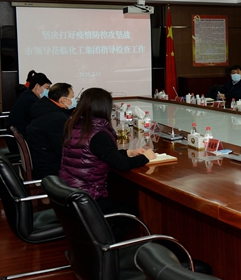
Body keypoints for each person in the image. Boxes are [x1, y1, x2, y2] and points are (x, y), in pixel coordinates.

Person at [60, 87, 156, 217]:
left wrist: (128, 152)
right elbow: (122, 165)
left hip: (71, 193)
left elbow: (99, 154)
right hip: (89, 198)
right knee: (137, 212)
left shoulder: (76, 125)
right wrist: (145, 157)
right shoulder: (97, 134)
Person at [25, 83, 75, 180]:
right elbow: (64, 150)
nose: (74, 100)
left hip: (42, 161)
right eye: (72, 97)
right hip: (50, 169)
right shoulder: (57, 118)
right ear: (63, 100)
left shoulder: (45, 109)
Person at [7, 70, 52, 153]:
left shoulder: (27, 96)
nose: (48, 92)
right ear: (37, 86)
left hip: (19, 140)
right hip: (22, 144)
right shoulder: (31, 100)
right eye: (47, 88)